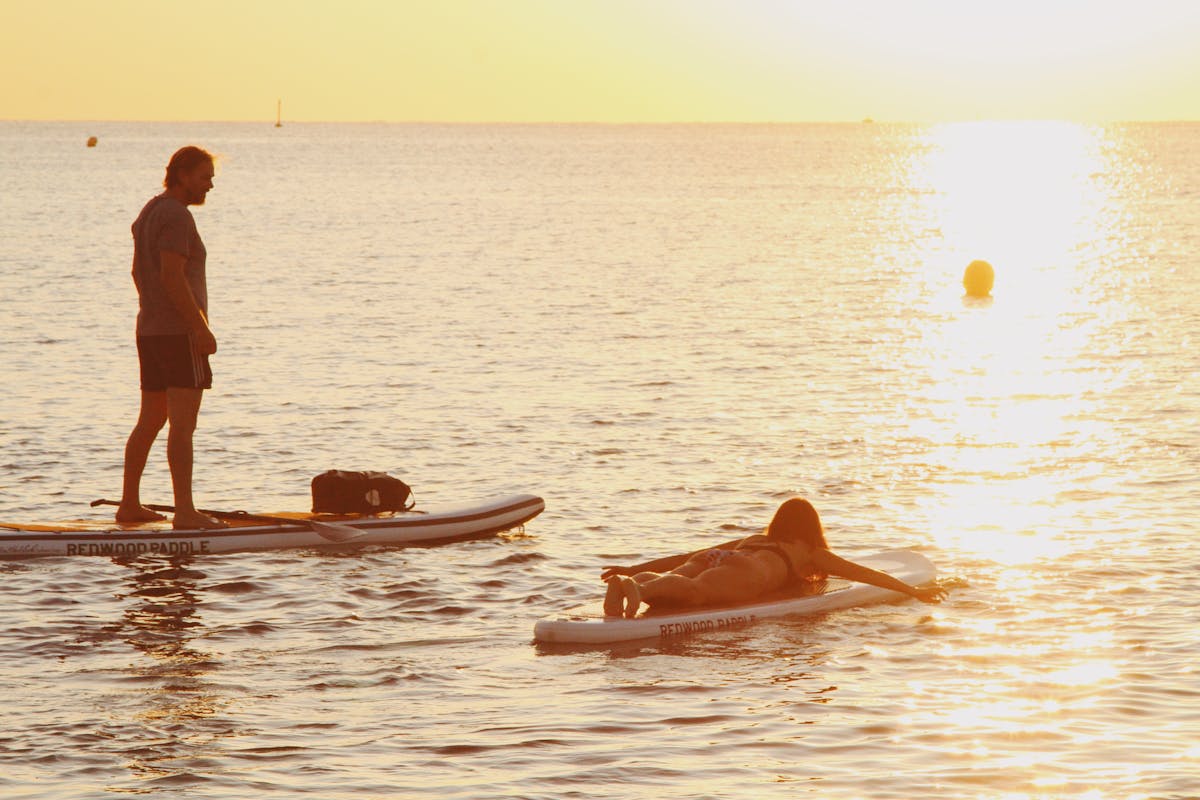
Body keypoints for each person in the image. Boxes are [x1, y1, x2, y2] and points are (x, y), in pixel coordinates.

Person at [115, 146, 226, 530]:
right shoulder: (176, 217)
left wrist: (153, 309)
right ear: (181, 175)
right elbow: (172, 276)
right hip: (179, 335)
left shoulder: (149, 211)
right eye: (204, 177)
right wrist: (199, 327)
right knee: (182, 424)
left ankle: (130, 504)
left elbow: (137, 273)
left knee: (150, 420)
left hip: (149, 330)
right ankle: (185, 512)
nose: (209, 185)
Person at [600, 497, 946, 618]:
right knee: (696, 592)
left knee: (686, 575)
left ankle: (632, 584)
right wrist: (913, 592)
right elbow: (863, 574)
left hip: (719, 555)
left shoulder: (755, 537)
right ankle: (639, 591)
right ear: (812, 527)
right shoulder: (811, 552)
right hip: (750, 570)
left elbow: (688, 554)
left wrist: (636, 566)